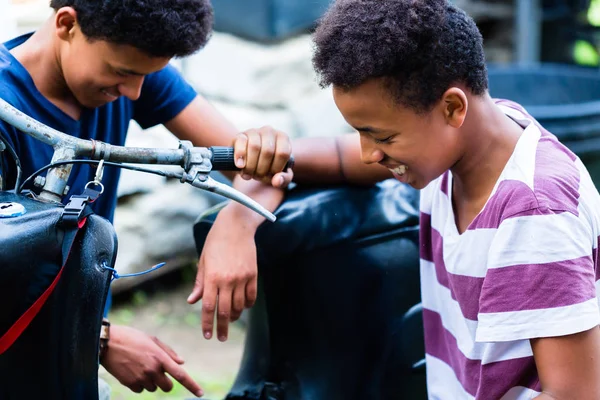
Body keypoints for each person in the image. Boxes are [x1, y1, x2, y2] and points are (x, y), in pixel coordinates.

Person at [281, 0, 600, 398]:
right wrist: (275, 157)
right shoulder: (471, 141)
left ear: (452, 107)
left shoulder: (534, 212)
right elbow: (341, 159)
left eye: (381, 137)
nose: (369, 153)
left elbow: (574, 394)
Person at [0, 0, 292, 397]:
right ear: (68, 24)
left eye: (145, 76)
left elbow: (260, 171)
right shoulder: (6, 109)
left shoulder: (134, 72)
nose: (133, 92)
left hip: (64, 359)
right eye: (122, 73)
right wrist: (99, 338)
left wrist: (234, 227)